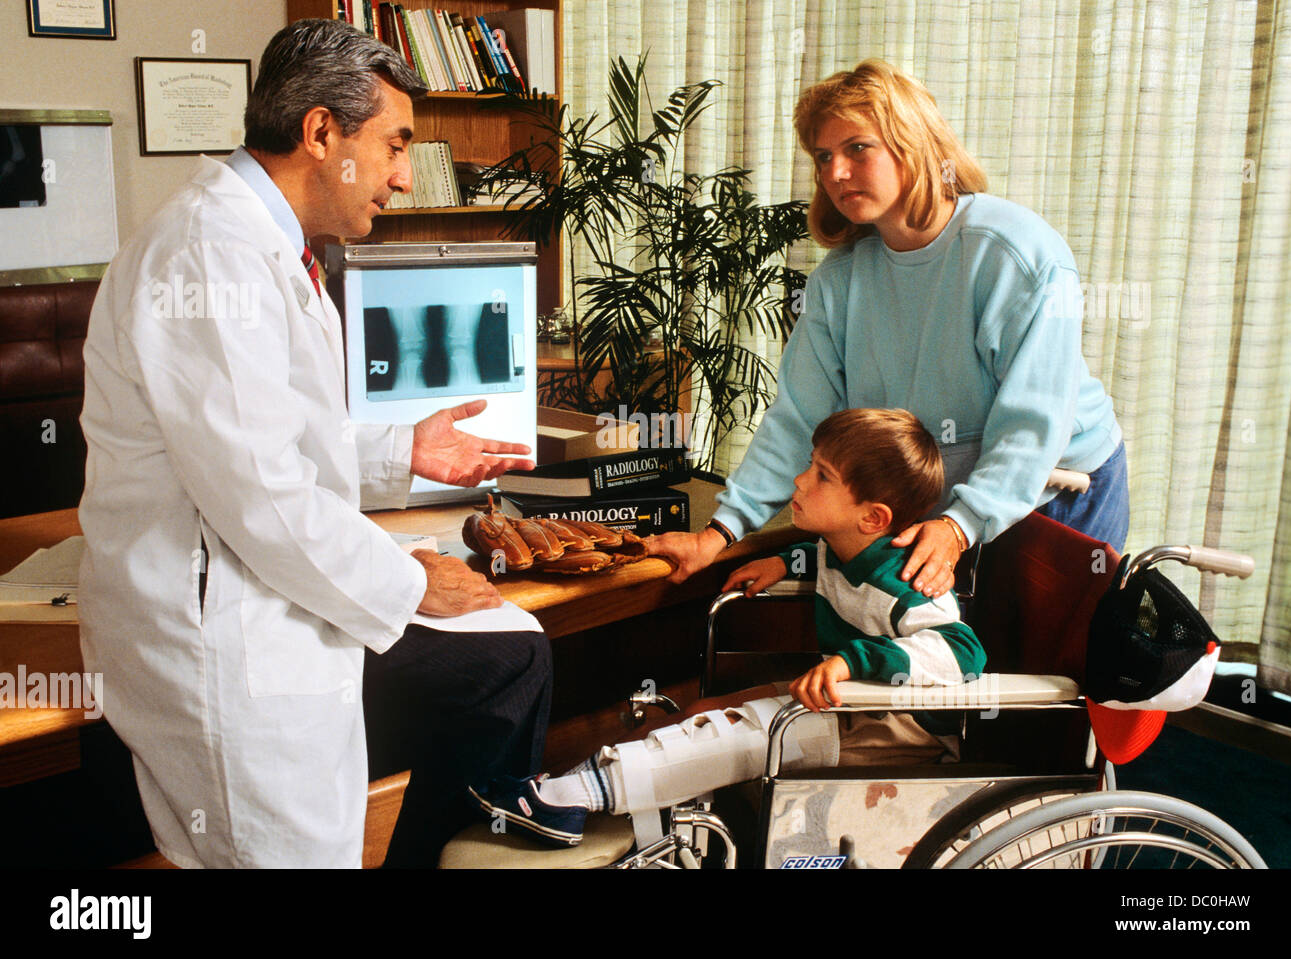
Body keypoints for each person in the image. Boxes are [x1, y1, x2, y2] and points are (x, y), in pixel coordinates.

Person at [78, 18, 549, 868]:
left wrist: (399, 448)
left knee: (508, 658)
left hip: (271, 611)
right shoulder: (208, 257)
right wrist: (413, 581)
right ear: (321, 132)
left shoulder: (275, 252)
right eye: (396, 145)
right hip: (221, 644)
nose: (405, 179)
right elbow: (262, 494)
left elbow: (273, 438)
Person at [649, 59, 1128, 595]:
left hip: (1056, 489)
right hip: (939, 495)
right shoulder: (839, 281)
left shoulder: (1013, 253)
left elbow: (1031, 421)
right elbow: (799, 419)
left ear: (914, 144)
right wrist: (718, 534)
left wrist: (960, 525)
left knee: (1031, 674)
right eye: (824, 157)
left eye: (857, 148)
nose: (835, 172)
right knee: (939, 664)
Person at [469, 408, 985, 847]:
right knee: (701, 710)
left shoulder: (910, 579)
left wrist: (853, 661)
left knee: (738, 731)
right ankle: (617, 801)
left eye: (822, 476)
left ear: (872, 518)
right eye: (810, 465)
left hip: (897, 728)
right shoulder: (843, 547)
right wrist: (787, 563)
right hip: (846, 700)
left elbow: (963, 653)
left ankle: (566, 801)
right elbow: (828, 560)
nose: (801, 481)